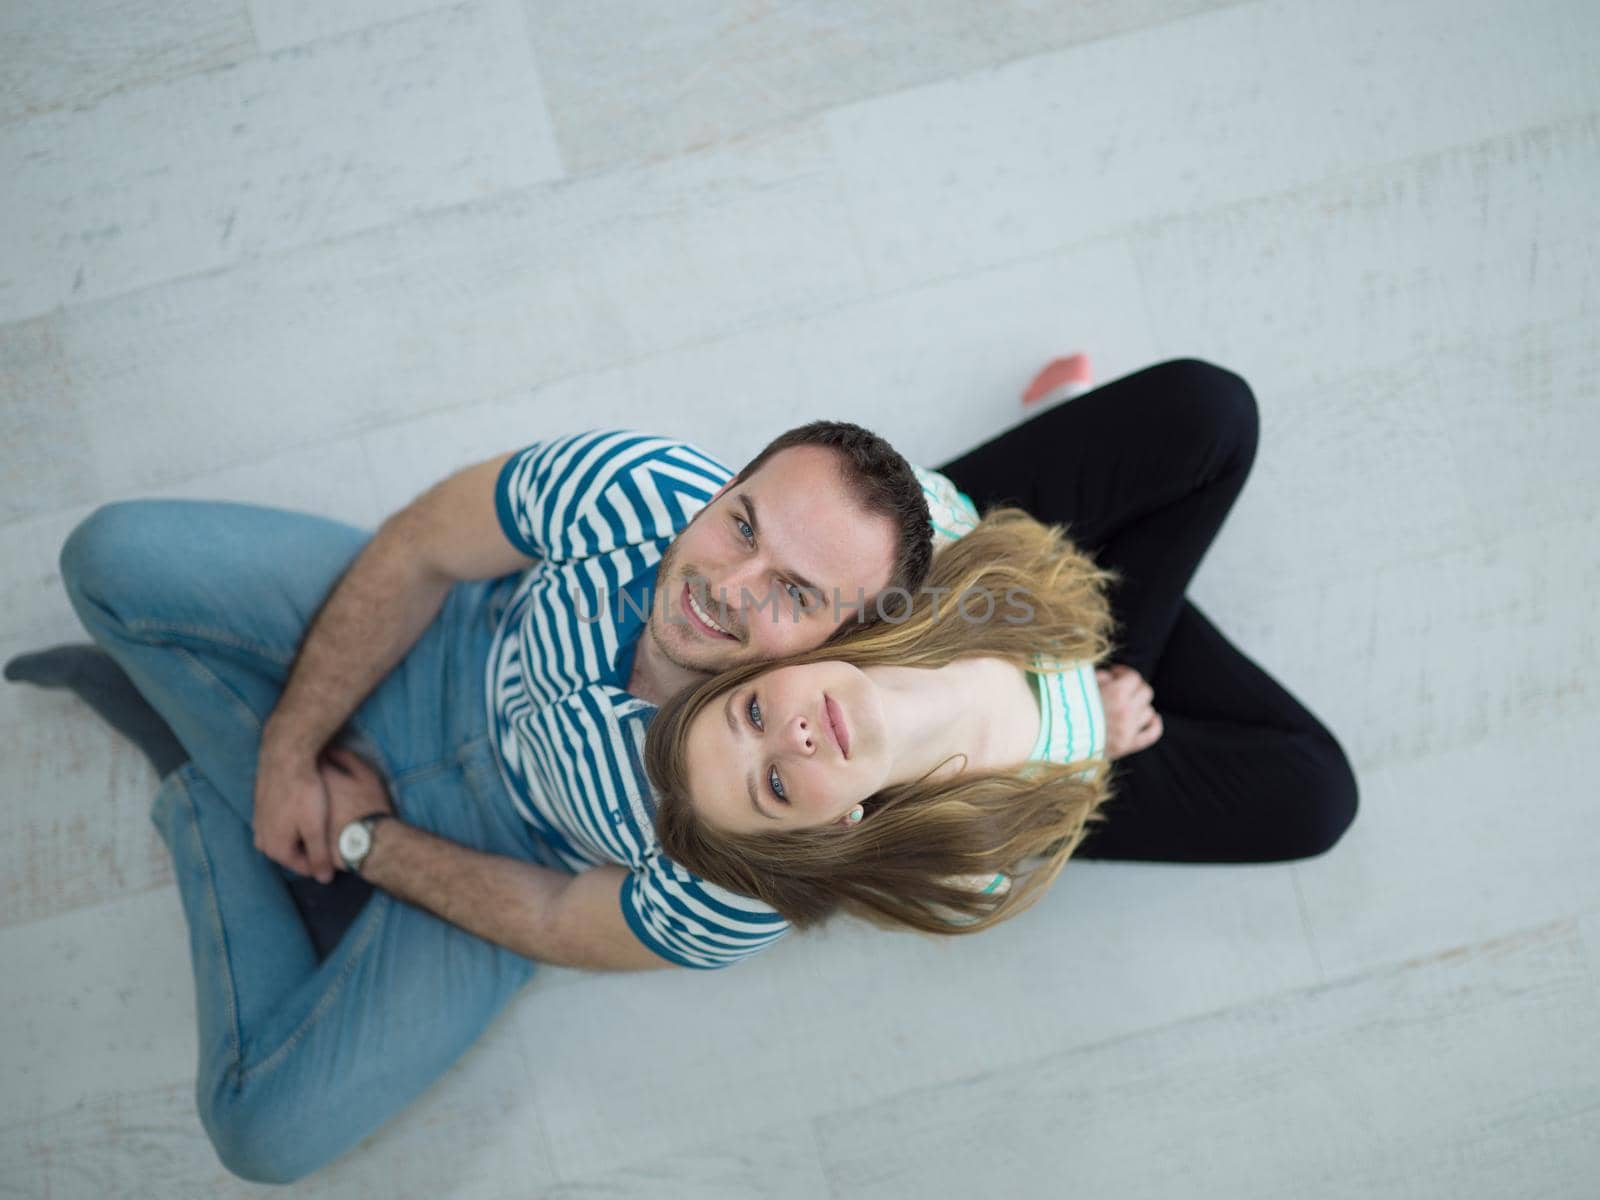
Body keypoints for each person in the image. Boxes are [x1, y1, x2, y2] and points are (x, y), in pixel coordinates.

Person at [5, 421, 959, 1183]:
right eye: (742, 524)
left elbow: (555, 917)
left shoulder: (764, 854)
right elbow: (424, 549)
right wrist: (291, 751)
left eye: (795, 592)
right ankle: (263, 800)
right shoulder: (627, 484)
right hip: (446, 647)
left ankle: (201, 787)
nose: (728, 586)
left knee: (261, 1129)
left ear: (843, 646)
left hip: (513, 855)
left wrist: (364, 837)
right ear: (717, 487)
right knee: (109, 555)